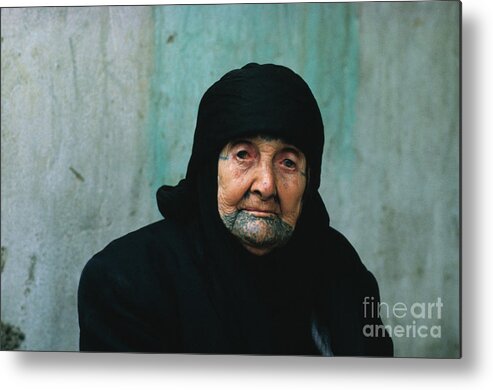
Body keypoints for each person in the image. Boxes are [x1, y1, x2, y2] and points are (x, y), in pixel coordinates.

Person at [78, 63, 393, 356]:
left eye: (288, 162)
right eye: (244, 155)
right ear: (208, 168)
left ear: (309, 181)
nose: (266, 186)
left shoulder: (340, 269)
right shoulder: (127, 281)